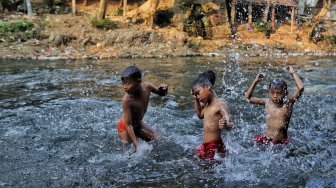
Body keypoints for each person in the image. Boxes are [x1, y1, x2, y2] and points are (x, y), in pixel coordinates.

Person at [244, 66, 304, 144]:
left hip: (280, 141)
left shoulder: (288, 104)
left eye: (279, 93)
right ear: (269, 92)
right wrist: (255, 81)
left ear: (285, 94)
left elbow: (301, 88)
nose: (275, 96)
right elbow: (247, 98)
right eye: (272, 93)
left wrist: (293, 73)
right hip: (266, 139)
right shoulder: (267, 102)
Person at [118, 66, 168, 150]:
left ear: (139, 81)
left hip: (138, 124)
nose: (124, 87)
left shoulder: (147, 87)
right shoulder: (126, 100)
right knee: (128, 151)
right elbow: (128, 124)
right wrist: (137, 145)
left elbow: (162, 94)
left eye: (127, 83)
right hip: (125, 127)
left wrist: (164, 89)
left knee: (160, 140)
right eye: (123, 83)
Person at [191, 76, 234, 159]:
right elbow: (199, 115)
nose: (198, 97)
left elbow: (231, 124)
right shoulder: (207, 106)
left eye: (198, 93)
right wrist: (195, 99)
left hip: (214, 146)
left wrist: (225, 125)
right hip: (205, 145)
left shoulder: (220, 104)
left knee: (207, 168)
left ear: (207, 87)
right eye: (195, 95)